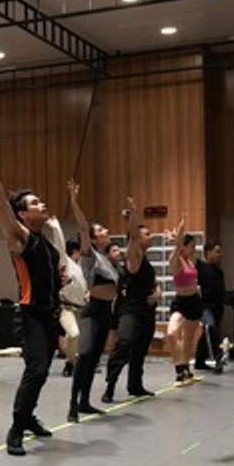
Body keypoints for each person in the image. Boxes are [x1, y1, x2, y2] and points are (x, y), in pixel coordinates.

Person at [0, 138, 61, 456]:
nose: (42, 205)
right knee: (35, 369)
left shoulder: (45, 243)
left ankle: (28, 417)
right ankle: (16, 429)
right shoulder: (19, 237)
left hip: (50, 315)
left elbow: (49, 275)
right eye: (35, 203)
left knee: (42, 372)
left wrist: (58, 281)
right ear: (22, 215)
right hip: (31, 315)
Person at [64, 180, 116, 422]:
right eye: (102, 230)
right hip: (93, 311)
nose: (106, 231)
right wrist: (74, 201)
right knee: (84, 354)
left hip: (107, 312)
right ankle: (73, 405)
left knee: (95, 357)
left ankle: (85, 401)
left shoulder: (108, 259)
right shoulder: (90, 255)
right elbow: (83, 228)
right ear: (94, 239)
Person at [102, 199, 157, 403]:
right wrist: (134, 214)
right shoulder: (134, 257)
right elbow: (133, 236)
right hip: (131, 310)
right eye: (147, 234)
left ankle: (135, 385)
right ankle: (110, 386)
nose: (150, 236)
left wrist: (158, 292)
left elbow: (153, 282)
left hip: (146, 311)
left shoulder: (147, 261)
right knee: (124, 345)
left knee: (140, 350)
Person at [165, 217, 205, 385]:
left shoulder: (190, 261)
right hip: (181, 302)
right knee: (172, 333)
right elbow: (176, 250)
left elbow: (192, 280)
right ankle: (179, 369)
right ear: (183, 246)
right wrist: (179, 234)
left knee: (188, 338)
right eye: (191, 246)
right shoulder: (175, 260)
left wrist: (198, 289)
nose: (194, 249)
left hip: (194, 301)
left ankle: (186, 371)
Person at [43, 218, 85, 379]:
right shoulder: (65, 262)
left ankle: (74, 362)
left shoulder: (80, 268)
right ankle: (71, 362)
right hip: (66, 308)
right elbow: (60, 246)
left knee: (80, 339)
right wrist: (56, 228)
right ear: (76, 250)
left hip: (81, 307)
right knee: (73, 334)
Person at [195, 240, 226, 372]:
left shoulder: (219, 272)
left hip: (217, 307)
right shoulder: (200, 266)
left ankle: (199, 361)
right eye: (217, 252)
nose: (220, 255)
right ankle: (218, 358)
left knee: (207, 333)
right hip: (205, 306)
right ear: (208, 253)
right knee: (211, 328)